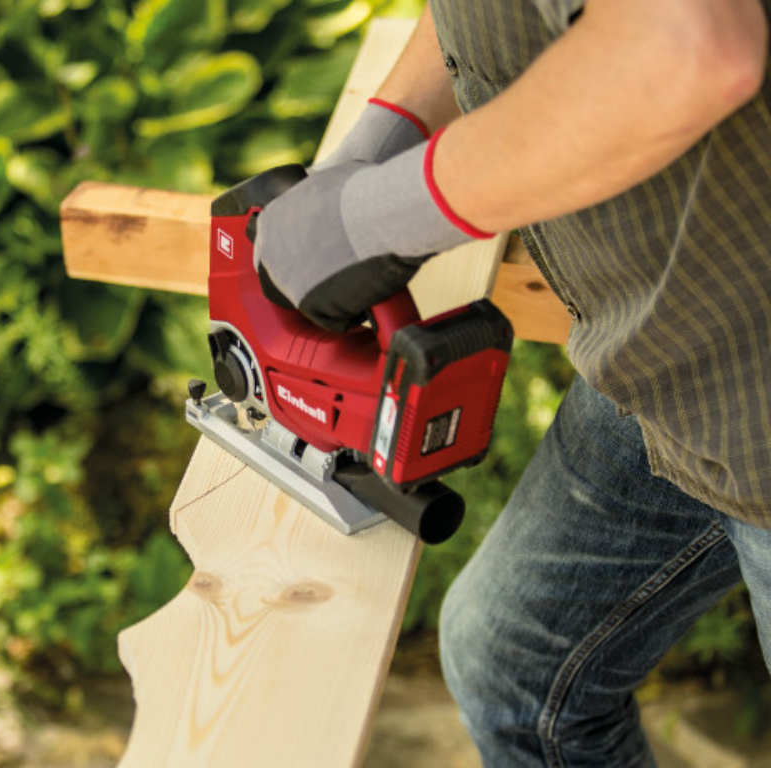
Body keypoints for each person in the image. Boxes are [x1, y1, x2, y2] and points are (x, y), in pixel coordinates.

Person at [253, 1, 771, 765]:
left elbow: (689, 45)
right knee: (518, 671)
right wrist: (380, 140)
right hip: (684, 349)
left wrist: (378, 219)